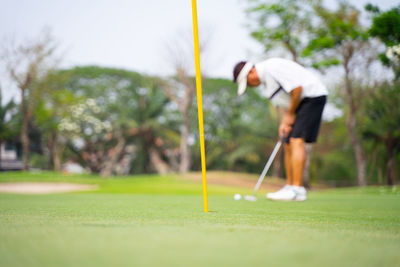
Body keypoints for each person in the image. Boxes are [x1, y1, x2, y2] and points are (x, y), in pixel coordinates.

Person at [233, 58, 327, 201]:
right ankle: (290, 187)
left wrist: (290, 114)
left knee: (296, 140)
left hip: (312, 97)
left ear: (251, 71)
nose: (250, 86)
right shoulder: (267, 83)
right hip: (299, 103)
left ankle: (298, 190)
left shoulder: (272, 68)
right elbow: (285, 101)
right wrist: (284, 122)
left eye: (248, 82)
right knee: (287, 142)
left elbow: (297, 89)